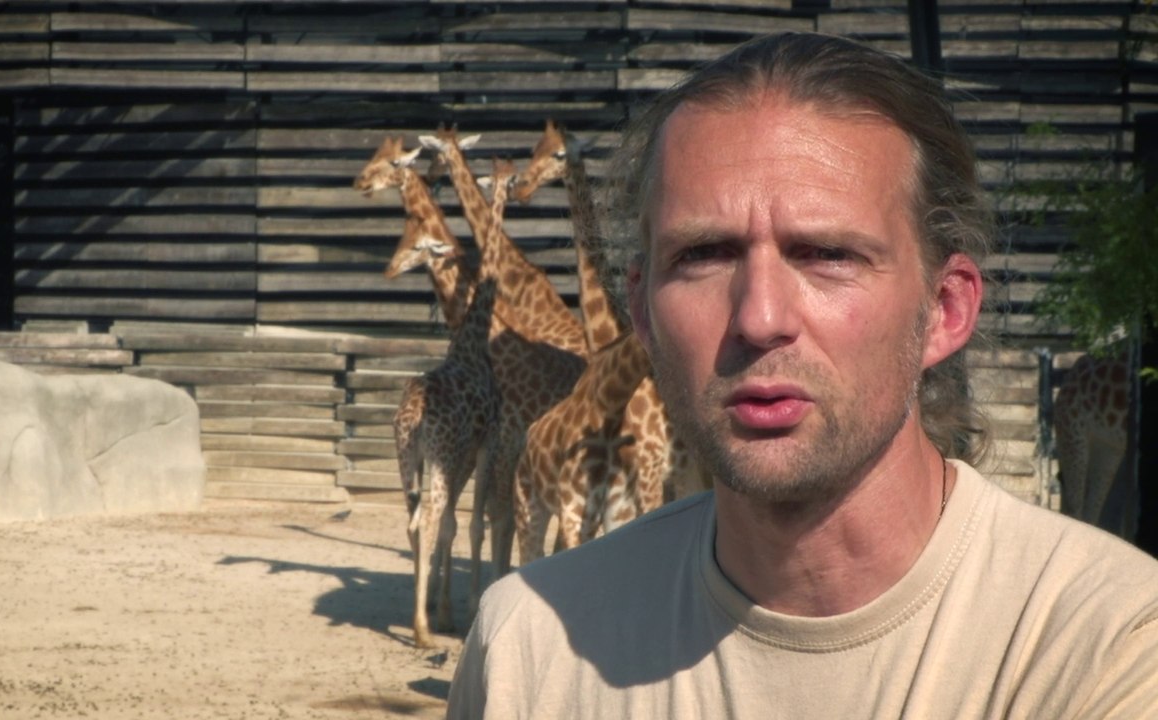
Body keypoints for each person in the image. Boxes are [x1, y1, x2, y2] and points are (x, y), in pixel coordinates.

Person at [445, 32, 1158, 718]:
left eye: (825, 254)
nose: (758, 318)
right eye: (704, 254)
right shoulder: (529, 650)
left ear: (944, 310)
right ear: (641, 307)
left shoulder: (1106, 643)